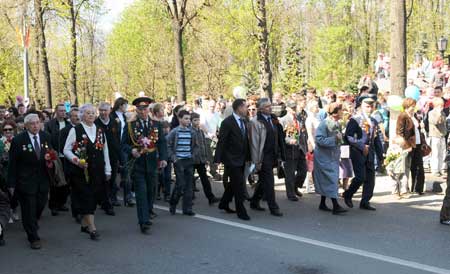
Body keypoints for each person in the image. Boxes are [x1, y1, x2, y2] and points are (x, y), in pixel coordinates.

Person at [63, 104, 111, 241]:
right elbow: (66, 150)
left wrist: (108, 169)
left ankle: (84, 225)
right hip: (82, 171)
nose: (91, 115)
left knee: (95, 197)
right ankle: (92, 229)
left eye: (92, 113)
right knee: (87, 197)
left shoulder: (100, 130)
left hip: (98, 170)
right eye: (88, 113)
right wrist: (76, 160)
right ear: (82, 115)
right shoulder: (76, 130)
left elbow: (105, 150)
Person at [7, 113, 53, 249]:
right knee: (28, 209)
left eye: (37, 122)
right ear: (26, 126)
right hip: (25, 181)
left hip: (43, 179)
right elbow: (12, 164)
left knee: (40, 204)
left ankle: (33, 221)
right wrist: (11, 183)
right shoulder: (18, 140)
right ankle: (33, 237)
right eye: (32, 123)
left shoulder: (46, 137)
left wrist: (50, 159)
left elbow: (50, 154)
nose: (35, 126)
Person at [123, 97, 168, 234]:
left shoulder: (156, 124)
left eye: (145, 109)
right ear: (136, 110)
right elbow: (123, 144)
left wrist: (164, 158)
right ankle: (143, 221)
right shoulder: (130, 125)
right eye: (140, 109)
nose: (142, 112)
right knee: (141, 193)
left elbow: (161, 143)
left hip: (152, 163)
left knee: (151, 191)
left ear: (149, 109)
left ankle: (148, 212)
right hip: (138, 164)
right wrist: (132, 150)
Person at [343, 95, 384, 211]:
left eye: (371, 106)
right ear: (361, 106)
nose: (369, 109)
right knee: (360, 177)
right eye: (367, 106)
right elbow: (348, 136)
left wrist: (381, 155)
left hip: (370, 152)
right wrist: (361, 146)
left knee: (370, 178)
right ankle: (348, 194)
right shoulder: (355, 120)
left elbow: (376, 139)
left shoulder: (373, 121)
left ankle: (365, 201)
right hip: (358, 152)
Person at [215, 98, 251, 220]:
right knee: (239, 185)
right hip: (231, 159)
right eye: (245, 107)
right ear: (239, 108)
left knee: (234, 183)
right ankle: (241, 211)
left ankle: (224, 203)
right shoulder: (227, 122)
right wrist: (217, 159)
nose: (247, 109)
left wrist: (249, 157)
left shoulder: (245, 121)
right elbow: (222, 141)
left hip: (242, 158)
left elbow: (245, 140)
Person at [249, 98, 285, 217]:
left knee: (264, 180)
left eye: (270, 106)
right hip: (263, 155)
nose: (270, 108)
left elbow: (278, 135)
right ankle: (273, 207)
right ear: (260, 109)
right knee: (269, 181)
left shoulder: (273, 118)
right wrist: (257, 161)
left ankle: (254, 201)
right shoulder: (255, 122)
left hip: (273, 153)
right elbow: (254, 143)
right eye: (267, 107)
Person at [313, 103, 347, 215]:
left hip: (332, 156)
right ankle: (335, 205)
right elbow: (319, 140)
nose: (343, 112)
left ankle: (322, 203)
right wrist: (334, 139)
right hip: (324, 157)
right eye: (342, 110)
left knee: (327, 180)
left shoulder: (337, 123)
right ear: (336, 112)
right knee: (332, 180)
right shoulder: (324, 124)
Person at [167, 110, 196, 216]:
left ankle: (187, 208)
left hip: (188, 160)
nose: (188, 121)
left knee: (189, 185)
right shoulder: (175, 131)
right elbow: (167, 144)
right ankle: (173, 203)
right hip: (179, 161)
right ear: (180, 119)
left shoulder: (191, 132)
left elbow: (195, 146)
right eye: (186, 118)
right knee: (180, 184)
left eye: (189, 119)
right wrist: (174, 158)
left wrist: (193, 156)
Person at [44, 104, 70, 216]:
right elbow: (47, 139)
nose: (63, 113)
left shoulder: (68, 124)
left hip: (67, 156)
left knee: (66, 180)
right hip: (55, 155)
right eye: (60, 111)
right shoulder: (50, 124)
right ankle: (53, 205)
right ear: (56, 112)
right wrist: (51, 152)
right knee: (55, 180)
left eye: (64, 111)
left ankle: (62, 203)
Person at [279, 99, 308, 201]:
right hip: (289, 150)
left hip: (300, 149)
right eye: (292, 108)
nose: (294, 110)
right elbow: (281, 137)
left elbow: (304, 134)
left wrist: (306, 147)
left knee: (303, 171)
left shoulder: (300, 119)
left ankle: (295, 186)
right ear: (287, 108)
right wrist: (288, 140)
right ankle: (290, 193)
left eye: (295, 107)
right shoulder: (283, 120)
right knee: (290, 173)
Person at [95, 102, 120, 216]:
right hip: (100, 155)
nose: (103, 112)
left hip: (113, 155)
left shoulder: (115, 122)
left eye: (105, 110)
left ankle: (109, 198)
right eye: (101, 110)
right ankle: (106, 203)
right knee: (104, 179)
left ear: (110, 110)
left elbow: (118, 138)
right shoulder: (95, 123)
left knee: (112, 177)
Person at [191, 112, 220, 205]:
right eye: (195, 120)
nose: (197, 122)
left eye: (198, 120)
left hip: (200, 159)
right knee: (189, 179)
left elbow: (203, 145)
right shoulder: (190, 131)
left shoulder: (200, 131)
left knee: (205, 179)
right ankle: (189, 197)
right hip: (192, 159)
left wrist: (205, 157)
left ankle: (210, 197)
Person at [59, 107, 82, 222]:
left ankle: (84, 210)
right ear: (70, 117)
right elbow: (64, 148)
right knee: (75, 189)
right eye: (74, 116)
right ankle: (76, 212)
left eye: (78, 115)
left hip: (84, 164)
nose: (77, 117)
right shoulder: (65, 130)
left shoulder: (84, 129)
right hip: (72, 164)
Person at [111, 97, 134, 207]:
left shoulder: (125, 117)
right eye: (125, 105)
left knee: (126, 171)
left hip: (123, 147)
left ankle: (128, 197)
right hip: (114, 147)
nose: (127, 107)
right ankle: (113, 197)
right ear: (120, 105)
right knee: (114, 173)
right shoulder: (112, 116)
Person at [428, 97, 447, 177]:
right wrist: (438, 113)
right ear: (436, 106)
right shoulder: (431, 113)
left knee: (442, 152)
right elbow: (435, 122)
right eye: (440, 106)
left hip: (442, 135)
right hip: (435, 135)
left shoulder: (443, 113)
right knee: (435, 153)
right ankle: (435, 169)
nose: (442, 107)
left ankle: (441, 168)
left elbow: (443, 122)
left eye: (442, 106)